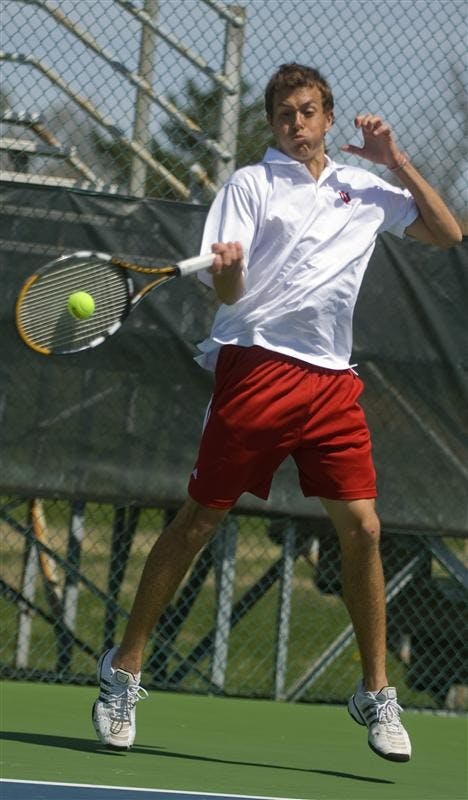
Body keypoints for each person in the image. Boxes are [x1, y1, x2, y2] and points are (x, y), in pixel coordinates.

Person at [92, 63, 462, 761]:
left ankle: (376, 693)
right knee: (200, 519)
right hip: (256, 364)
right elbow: (227, 293)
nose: (296, 124)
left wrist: (399, 161)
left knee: (365, 531)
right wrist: (230, 266)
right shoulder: (250, 185)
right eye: (284, 114)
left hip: (331, 382)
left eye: (308, 111)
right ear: (272, 124)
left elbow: (447, 234)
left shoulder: (367, 189)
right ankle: (124, 668)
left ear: (328, 117)